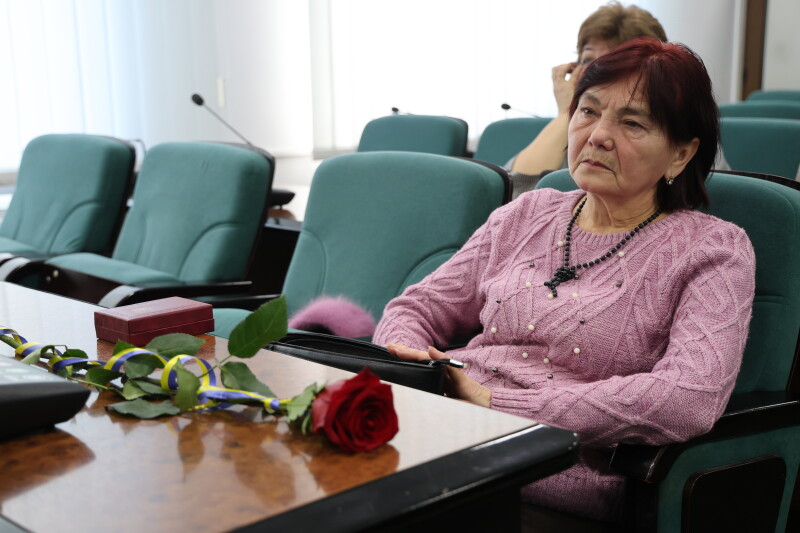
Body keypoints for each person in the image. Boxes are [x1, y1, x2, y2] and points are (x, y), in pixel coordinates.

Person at [373, 38, 755, 525]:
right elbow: (416, 308)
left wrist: (497, 403)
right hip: (444, 433)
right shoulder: (529, 212)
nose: (598, 136)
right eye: (588, 111)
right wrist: (414, 370)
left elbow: (689, 397)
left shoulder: (713, 249)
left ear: (681, 154)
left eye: (632, 123)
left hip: (547, 477)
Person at [508, 2, 667, 198]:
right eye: (587, 59)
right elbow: (514, 192)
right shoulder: (572, 129)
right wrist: (567, 112)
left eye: (608, 61)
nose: (593, 71)